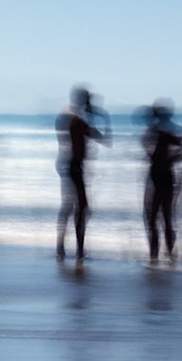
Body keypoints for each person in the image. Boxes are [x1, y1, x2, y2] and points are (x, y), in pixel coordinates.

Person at [56, 86, 108, 260]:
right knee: (81, 207)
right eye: (88, 100)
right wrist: (104, 118)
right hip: (74, 166)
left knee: (71, 206)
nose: (90, 103)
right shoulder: (77, 120)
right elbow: (104, 139)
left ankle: (63, 246)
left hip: (69, 164)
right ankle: (77, 249)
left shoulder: (69, 116)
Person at [141, 102, 182, 261]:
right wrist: (175, 158)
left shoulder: (160, 133)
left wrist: (175, 157)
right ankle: (167, 256)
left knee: (155, 218)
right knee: (163, 218)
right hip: (164, 176)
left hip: (158, 177)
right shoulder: (160, 133)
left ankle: (157, 256)